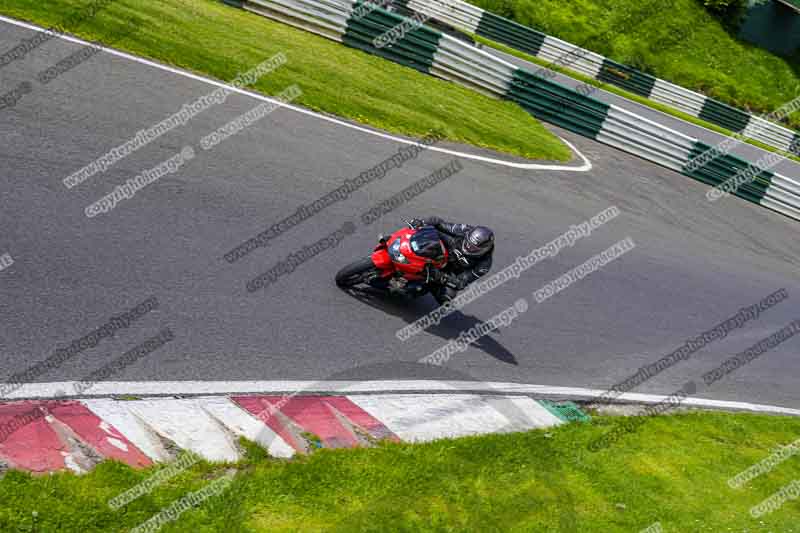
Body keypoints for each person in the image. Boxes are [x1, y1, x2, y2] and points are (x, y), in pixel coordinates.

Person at [411, 216, 494, 304]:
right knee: (430, 230)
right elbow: (440, 223)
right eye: (468, 243)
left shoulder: (484, 264)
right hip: (445, 251)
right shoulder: (465, 229)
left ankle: (423, 287)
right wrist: (422, 222)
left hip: (451, 272)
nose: (468, 247)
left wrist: (442, 277)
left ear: (484, 249)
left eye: (473, 248)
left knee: (447, 296)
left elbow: (462, 282)